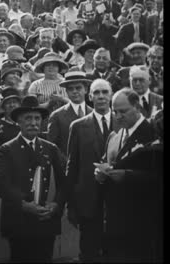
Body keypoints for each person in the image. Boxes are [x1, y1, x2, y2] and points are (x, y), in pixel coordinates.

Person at [0, 94, 68, 262]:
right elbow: (2, 185)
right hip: (19, 221)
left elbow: (64, 183)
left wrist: (56, 204)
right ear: (18, 122)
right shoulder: (6, 150)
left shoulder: (51, 148)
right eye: (28, 118)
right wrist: (24, 205)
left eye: (37, 118)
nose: (33, 122)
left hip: (46, 220)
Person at [95, 88, 157, 262]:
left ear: (137, 107)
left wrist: (128, 175)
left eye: (123, 111)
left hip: (144, 222)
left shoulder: (153, 132)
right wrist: (100, 174)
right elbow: (106, 164)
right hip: (115, 221)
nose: (118, 116)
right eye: (115, 111)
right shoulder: (114, 136)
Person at [66, 78, 117, 262]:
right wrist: (71, 205)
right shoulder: (78, 126)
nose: (101, 96)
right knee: (89, 252)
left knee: (115, 251)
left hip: (118, 201)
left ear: (111, 95)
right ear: (90, 96)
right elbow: (72, 167)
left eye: (105, 92)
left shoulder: (123, 124)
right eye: (96, 92)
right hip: (88, 201)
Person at [48, 71, 93, 163]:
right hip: (66, 168)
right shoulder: (57, 116)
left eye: (78, 88)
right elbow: (52, 146)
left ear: (86, 90)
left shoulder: (94, 113)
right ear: (66, 92)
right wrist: (67, 162)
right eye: (70, 89)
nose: (74, 91)